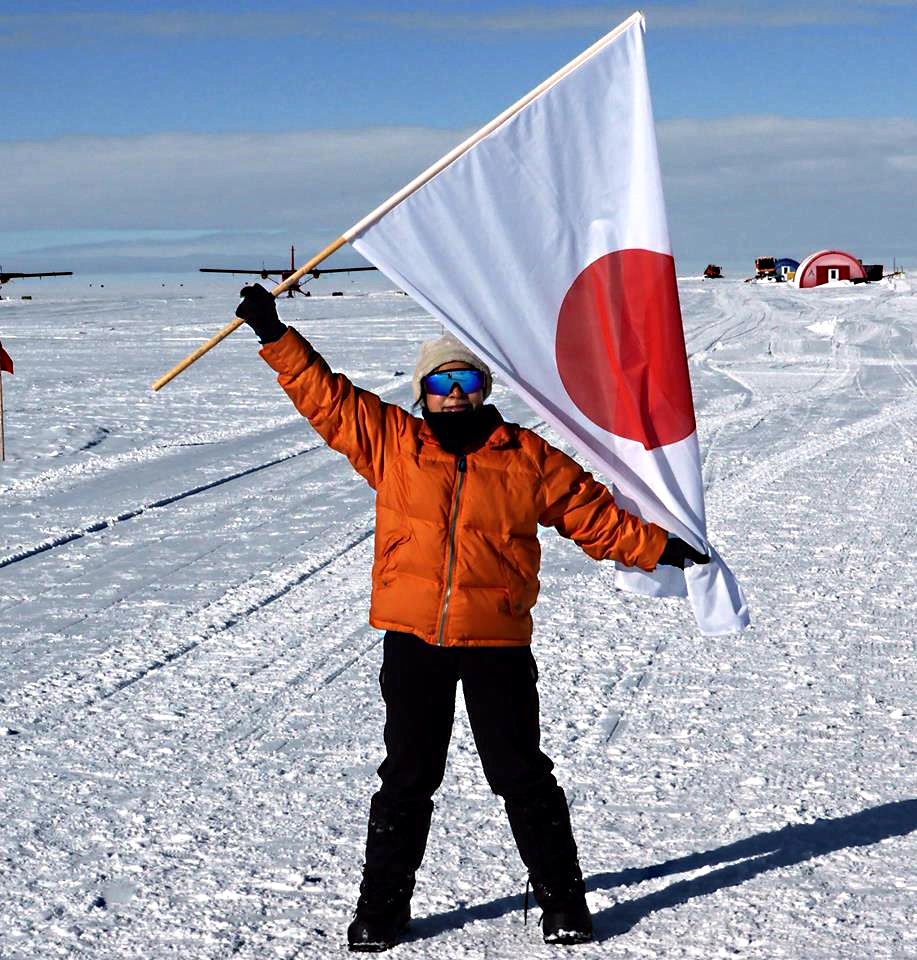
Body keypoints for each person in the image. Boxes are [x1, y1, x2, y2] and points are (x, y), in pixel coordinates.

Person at [235, 284, 708, 951]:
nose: (454, 392)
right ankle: (381, 911)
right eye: (441, 380)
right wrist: (275, 336)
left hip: (496, 640)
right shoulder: (393, 444)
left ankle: (563, 903)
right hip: (415, 640)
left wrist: (656, 546)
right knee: (407, 773)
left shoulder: (525, 457)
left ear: (484, 388)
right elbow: (328, 398)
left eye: (467, 380)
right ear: (422, 389)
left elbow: (591, 516)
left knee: (519, 772)